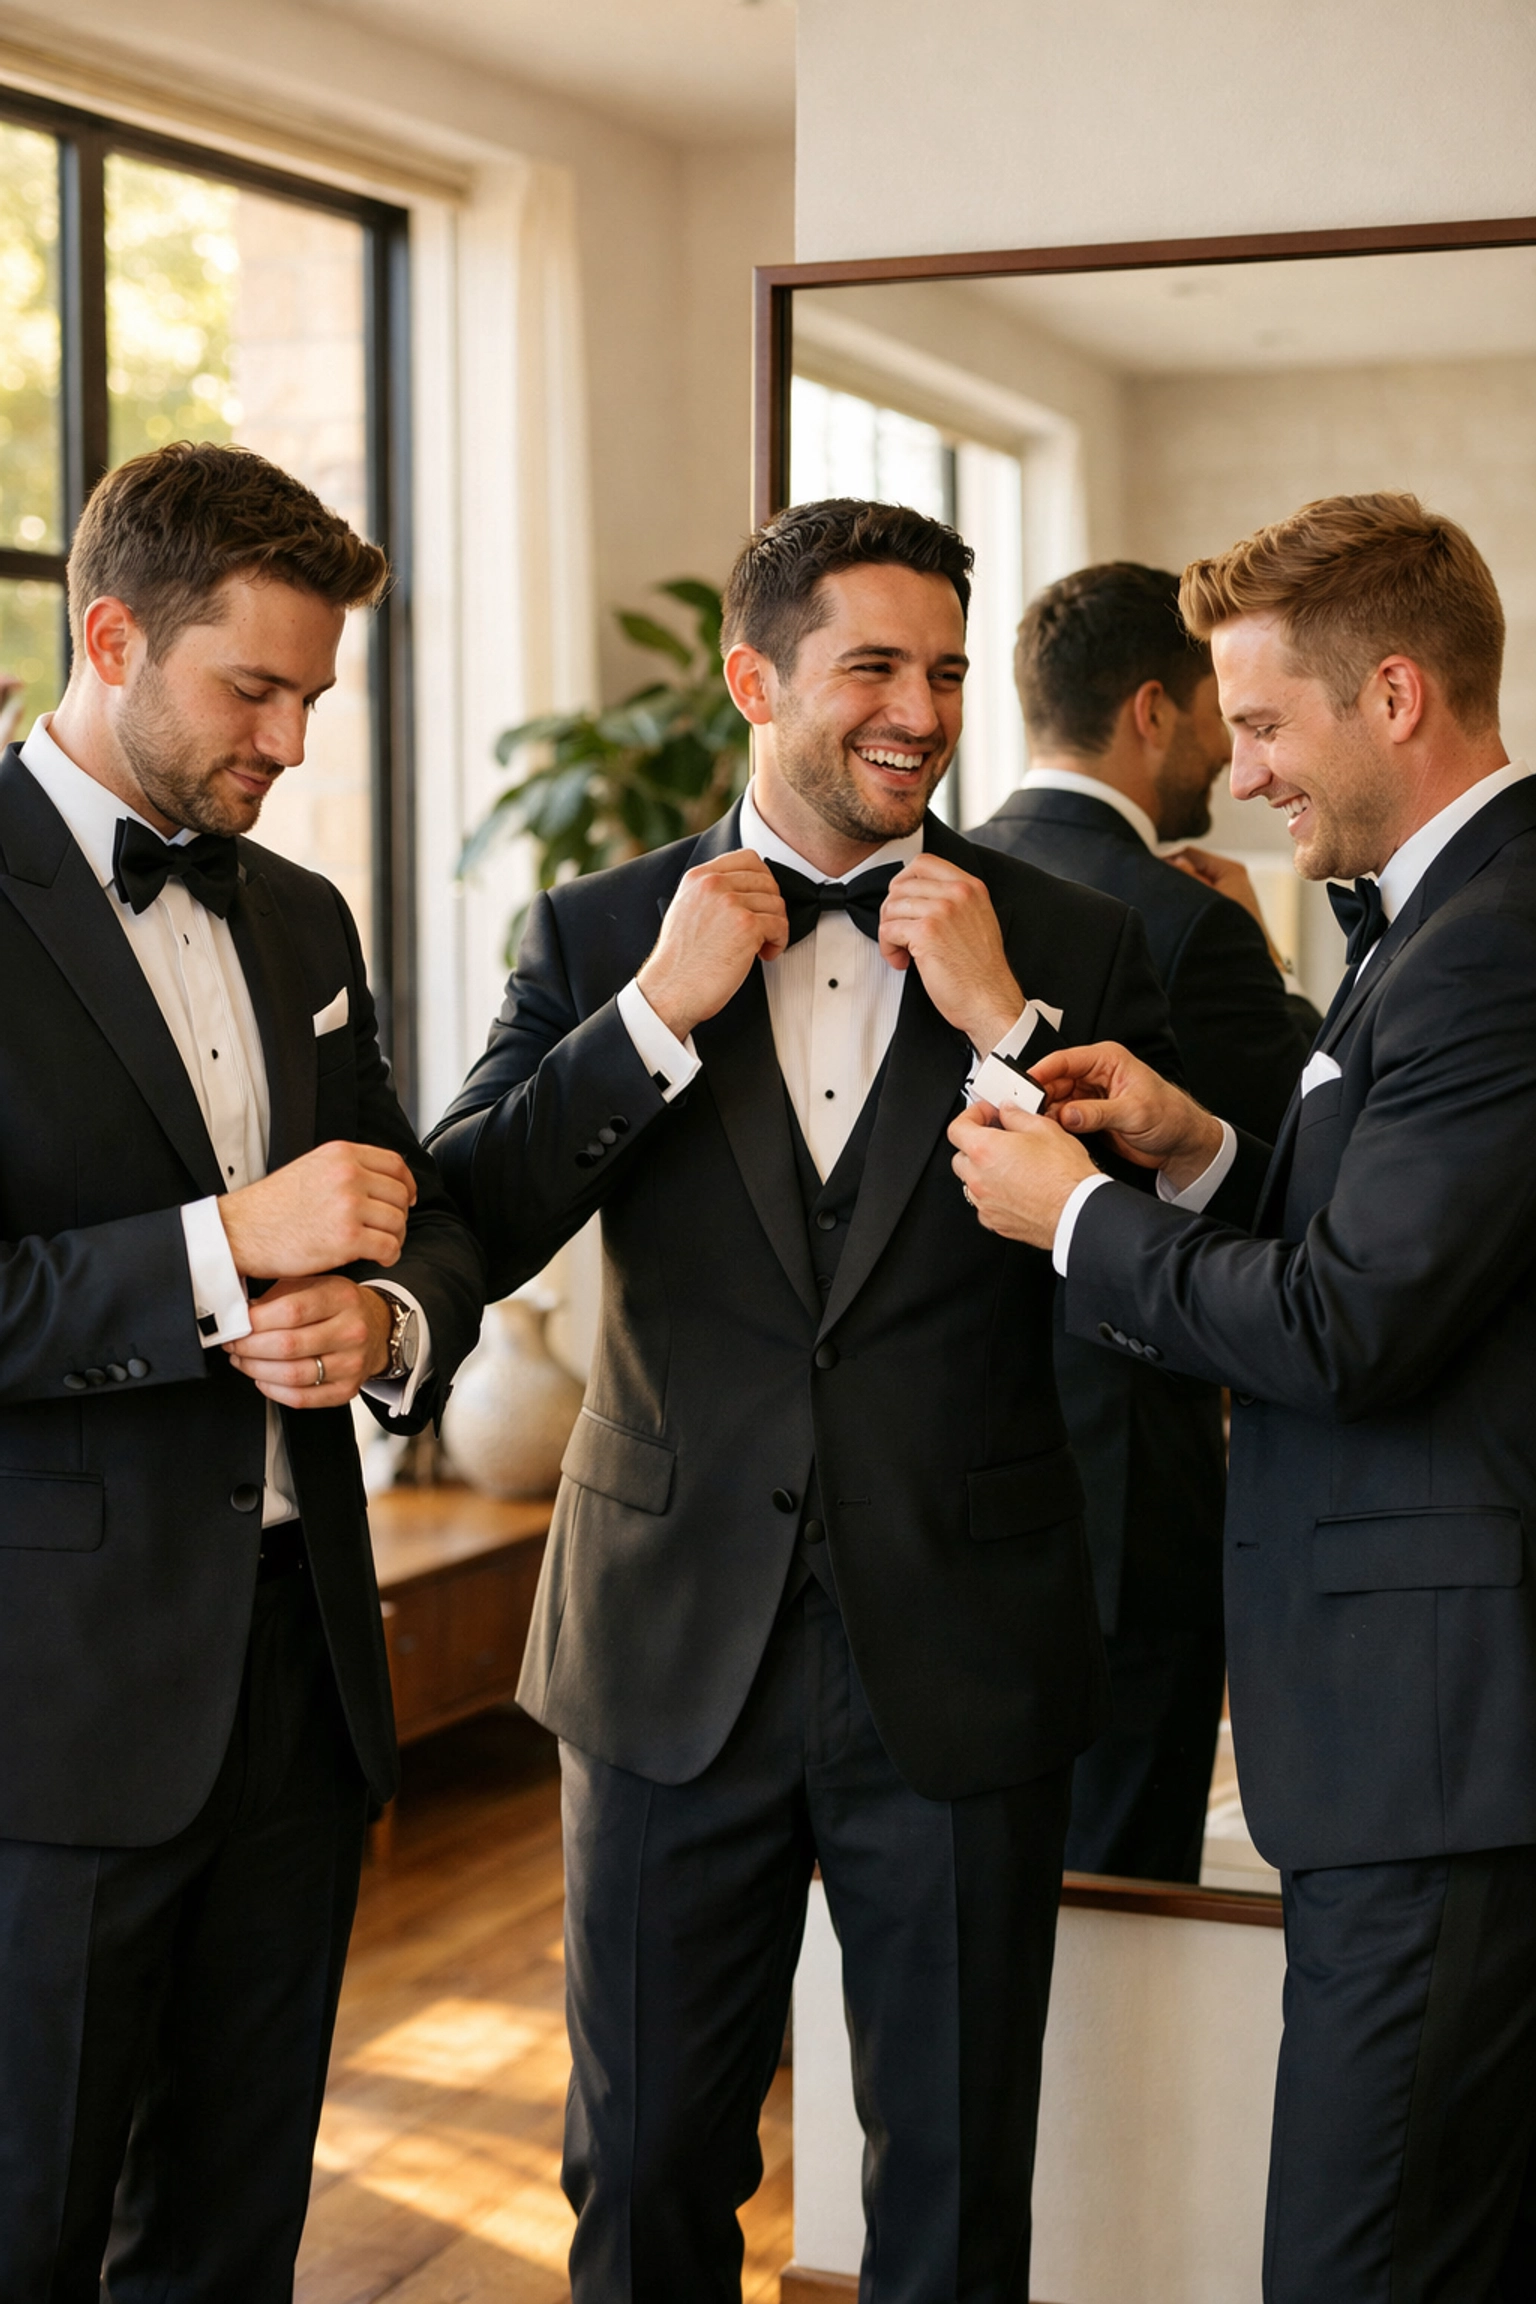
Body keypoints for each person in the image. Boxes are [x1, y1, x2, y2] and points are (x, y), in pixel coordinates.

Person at [427, 498, 1180, 2302]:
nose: (919, 710)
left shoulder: (1073, 932)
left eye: (943, 670)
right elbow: (472, 1206)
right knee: (645, 2170)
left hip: (964, 1645)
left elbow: (1163, 1263)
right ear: (756, 677)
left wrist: (1003, 1022)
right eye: (873, 666)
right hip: (666, 1645)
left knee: (951, 2179)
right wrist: (653, 1020)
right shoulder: (601, 921)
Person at [950, 492, 1536, 2302]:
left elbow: (1356, 1329)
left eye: (1268, 722)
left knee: (1354, 2265)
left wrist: (1083, 1225)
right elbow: (1397, 1243)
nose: (1248, 766)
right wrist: (1199, 1149)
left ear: (1395, 693)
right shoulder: (1436, 923)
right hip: (1422, 1738)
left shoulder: (1496, 936)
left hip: (1436, 1747)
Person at [0, 441, 485, 2299]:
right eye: (252, 688)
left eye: (312, 695)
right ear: (111, 634)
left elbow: (405, 1211)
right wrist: (227, 1250)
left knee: (231, 2240)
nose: (288, 740)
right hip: (52, 1720)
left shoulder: (304, 920)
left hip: (296, 1680)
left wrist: (387, 1323)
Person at [970, 563, 1322, 1881]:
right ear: (1152, 711)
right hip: (1125, 1478)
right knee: (1122, 1871)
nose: (1236, 761)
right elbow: (1307, 1182)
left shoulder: (924, 891)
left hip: (943, 1469)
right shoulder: (1189, 922)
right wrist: (1271, 972)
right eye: (1219, 719)